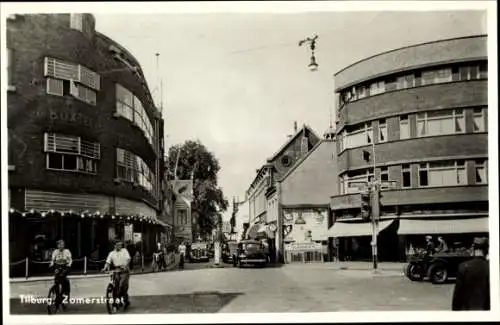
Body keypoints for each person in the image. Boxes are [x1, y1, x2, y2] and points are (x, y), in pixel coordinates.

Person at [452, 237, 490, 311]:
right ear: (487, 250)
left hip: (467, 313)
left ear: (473, 248)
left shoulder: (463, 267)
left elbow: (457, 297)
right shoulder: (491, 267)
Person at [102, 240, 131, 309]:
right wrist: (105, 268)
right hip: (116, 270)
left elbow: (128, 259)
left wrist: (125, 266)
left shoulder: (124, 251)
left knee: (122, 286)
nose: (119, 246)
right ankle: (116, 301)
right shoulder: (111, 253)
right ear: (114, 245)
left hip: (124, 270)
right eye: (117, 245)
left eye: (120, 245)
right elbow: (108, 262)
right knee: (116, 286)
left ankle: (125, 300)